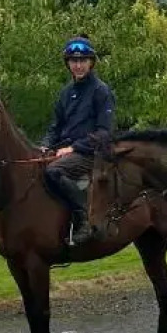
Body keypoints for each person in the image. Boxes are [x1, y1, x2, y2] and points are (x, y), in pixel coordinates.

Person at [39, 35, 116, 247]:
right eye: (74, 61)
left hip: (91, 154)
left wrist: (73, 148)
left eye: (83, 60)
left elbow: (104, 133)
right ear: (68, 64)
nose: (78, 65)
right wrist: (45, 145)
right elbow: (55, 127)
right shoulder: (65, 93)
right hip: (66, 152)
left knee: (53, 172)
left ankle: (84, 218)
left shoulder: (101, 91)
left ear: (91, 62)